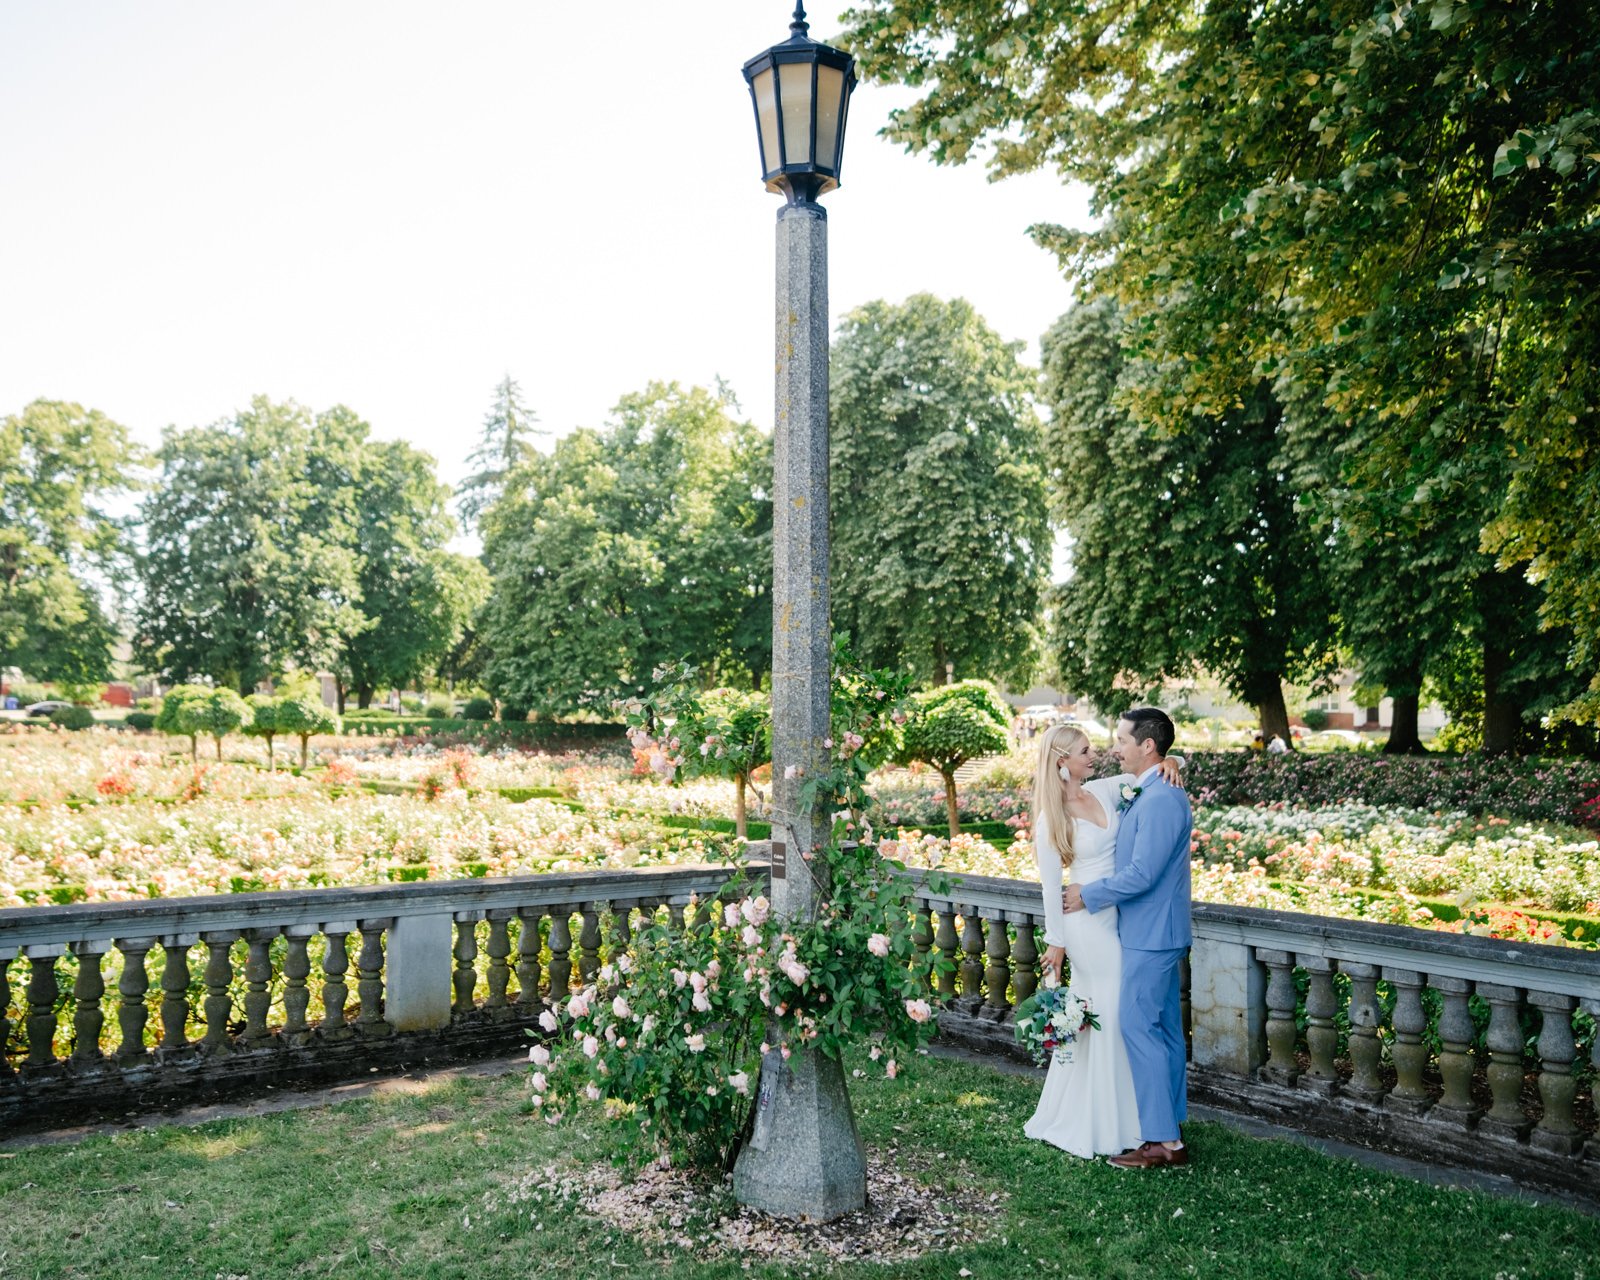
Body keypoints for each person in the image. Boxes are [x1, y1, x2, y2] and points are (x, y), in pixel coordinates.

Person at [1022, 721, 1183, 1158]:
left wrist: (1172, 759)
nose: (1096, 756)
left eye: (1096, 748)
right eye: (1086, 751)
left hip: (1120, 914)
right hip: (1085, 923)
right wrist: (1056, 943)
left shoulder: (1108, 790)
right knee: (1112, 1009)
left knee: (1119, 1013)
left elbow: (1149, 771)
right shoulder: (1049, 818)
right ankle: (1118, 1122)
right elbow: (1050, 888)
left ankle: (1139, 1119)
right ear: (1062, 761)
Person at [1063, 707, 1193, 1169]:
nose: (1114, 748)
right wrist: (1174, 763)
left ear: (1148, 746)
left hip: (1151, 933)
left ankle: (1161, 1141)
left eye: (1121, 740)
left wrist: (1087, 894)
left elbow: (1142, 874)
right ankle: (1171, 1129)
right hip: (1154, 930)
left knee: (1139, 1027)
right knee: (1164, 1031)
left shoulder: (1160, 800)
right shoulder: (1153, 786)